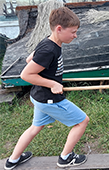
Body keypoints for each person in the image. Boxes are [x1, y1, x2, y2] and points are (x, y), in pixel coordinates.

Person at [4, 7, 89, 170]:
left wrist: (46, 72)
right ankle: (65, 158)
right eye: (73, 32)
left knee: (35, 127)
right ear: (59, 29)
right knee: (82, 121)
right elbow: (25, 75)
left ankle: (12, 160)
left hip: (39, 97)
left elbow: (31, 59)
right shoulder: (49, 49)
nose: (75, 35)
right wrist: (53, 83)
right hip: (49, 99)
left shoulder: (49, 42)